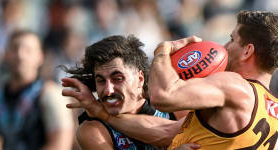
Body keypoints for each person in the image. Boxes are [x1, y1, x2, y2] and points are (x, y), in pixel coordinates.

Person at [62, 10, 278, 149]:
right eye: (101, 80)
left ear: (248, 51)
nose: (225, 46)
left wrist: (163, 51)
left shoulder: (233, 84)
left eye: (232, 39)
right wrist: (100, 113)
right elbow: (165, 132)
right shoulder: (273, 110)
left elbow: (162, 95)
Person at [61, 35, 191, 150]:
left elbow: (176, 133)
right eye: (101, 81)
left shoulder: (173, 106)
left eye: (117, 79)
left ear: (140, 79)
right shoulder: (93, 130)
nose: (108, 90)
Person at [0, 30, 75, 150]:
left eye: (28, 50)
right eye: (15, 49)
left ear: (40, 57)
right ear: (6, 54)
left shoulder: (50, 94)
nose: (20, 55)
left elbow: (60, 145)